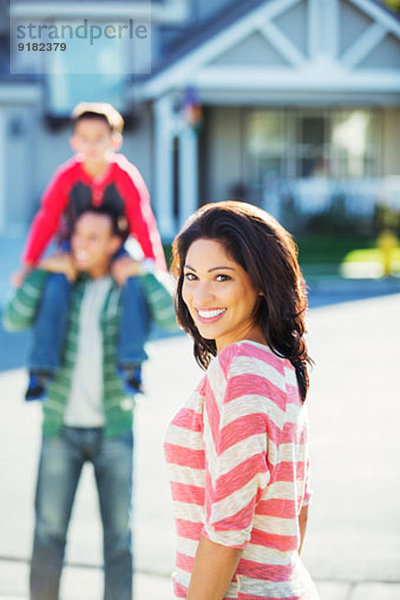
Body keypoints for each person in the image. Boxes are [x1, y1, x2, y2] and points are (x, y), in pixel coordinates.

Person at [3, 205, 176, 600]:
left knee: (119, 540)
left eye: (93, 238)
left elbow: (172, 319)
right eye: (78, 235)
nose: (82, 245)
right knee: (47, 535)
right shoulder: (60, 287)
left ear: (116, 243)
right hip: (59, 427)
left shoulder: (128, 288)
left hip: (115, 430)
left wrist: (146, 271)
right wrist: (44, 269)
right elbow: (13, 318)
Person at [165, 201, 319, 600]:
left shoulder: (241, 369)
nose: (200, 294)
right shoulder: (279, 366)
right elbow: (297, 507)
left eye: (222, 277)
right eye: (191, 276)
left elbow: (226, 531)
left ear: (262, 281)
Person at [13, 101, 166, 399]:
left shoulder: (125, 176)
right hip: (74, 247)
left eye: (100, 138)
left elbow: (141, 219)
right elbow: (46, 218)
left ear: (114, 140)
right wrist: (30, 264)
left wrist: (152, 263)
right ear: (74, 141)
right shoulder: (67, 176)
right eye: (85, 138)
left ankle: (132, 365)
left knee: (133, 282)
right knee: (56, 284)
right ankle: (41, 369)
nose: (92, 145)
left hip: (115, 246)